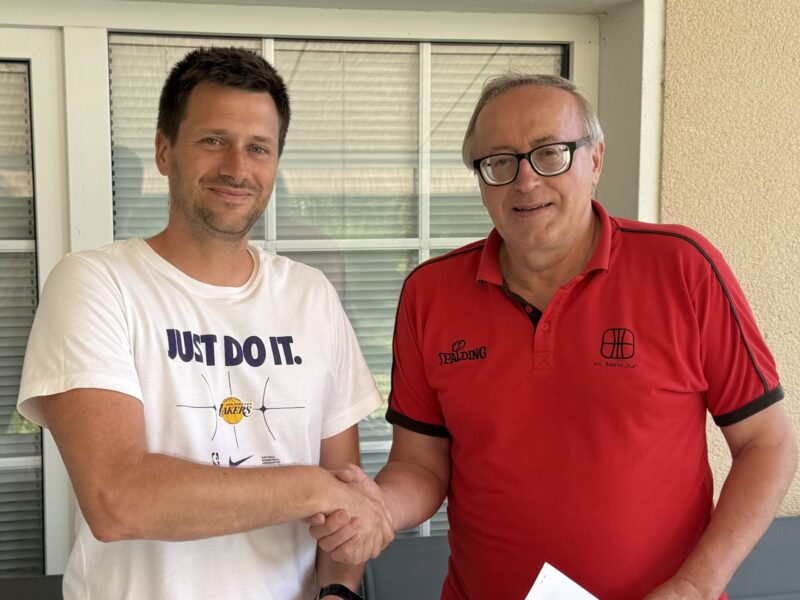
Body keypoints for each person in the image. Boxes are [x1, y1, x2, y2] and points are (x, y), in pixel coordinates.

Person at [309, 73, 798, 599]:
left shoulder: (683, 268)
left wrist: (696, 586)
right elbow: (420, 463)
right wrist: (382, 507)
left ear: (595, 160)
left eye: (550, 153)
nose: (525, 181)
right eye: (499, 161)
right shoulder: (431, 293)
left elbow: (766, 444)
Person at [16, 47, 392, 600]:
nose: (237, 168)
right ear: (164, 151)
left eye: (258, 148)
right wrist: (313, 488)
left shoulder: (311, 296)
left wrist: (337, 591)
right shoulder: (96, 283)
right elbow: (117, 499)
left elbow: (344, 509)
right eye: (213, 140)